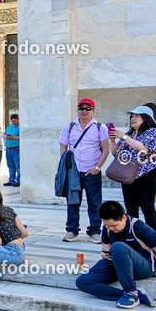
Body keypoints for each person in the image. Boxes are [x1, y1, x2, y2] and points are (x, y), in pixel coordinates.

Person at [76, 201, 156, 308]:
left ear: (124, 218)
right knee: (82, 282)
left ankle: (130, 292)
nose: (111, 228)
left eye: (114, 225)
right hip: (119, 265)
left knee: (118, 246)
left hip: (143, 267)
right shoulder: (107, 228)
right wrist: (104, 255)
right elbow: (106, 250)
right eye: (107, 226)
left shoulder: (139, 227)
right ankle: (136, 295)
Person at [58, 98, 111, 243]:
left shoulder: (100, 127)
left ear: (93, 111)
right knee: (73, 202)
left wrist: (97, 168)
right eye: (82, 108)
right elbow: (63, 147)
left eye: (88, 108)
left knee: (95, 202)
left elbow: (106, 149)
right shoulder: (69, 127)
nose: (84, 111)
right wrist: (66, 164)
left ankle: (94, 231)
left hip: (91, 170)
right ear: (77, 110)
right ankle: (71, 230)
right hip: (74, 172)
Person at [110, 106, 156, 231]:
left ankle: (152, 237)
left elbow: (143, 148)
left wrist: (124, 137)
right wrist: (113, 141)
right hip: (128, 175)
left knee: (147, 207)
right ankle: (133, 234)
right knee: (130, 208)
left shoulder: (154, 132)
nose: (133, 119)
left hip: (148, 173)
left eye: (137, 116)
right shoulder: (130, 134)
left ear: (146, 118)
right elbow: (115, 153)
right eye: (132, 116)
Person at [4, 115, 21, 186]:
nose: (13, 123)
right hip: (8, 149)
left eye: (14, 121)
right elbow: (4, 135)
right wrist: (7, 136)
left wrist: (13, 137)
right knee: (10, 166)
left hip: (16, 149)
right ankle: (11, 180)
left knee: (18, 165)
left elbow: (22, 138)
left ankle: (19, 180)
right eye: (12, 121)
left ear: (18, 119)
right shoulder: (10, 126)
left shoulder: (20, 127)